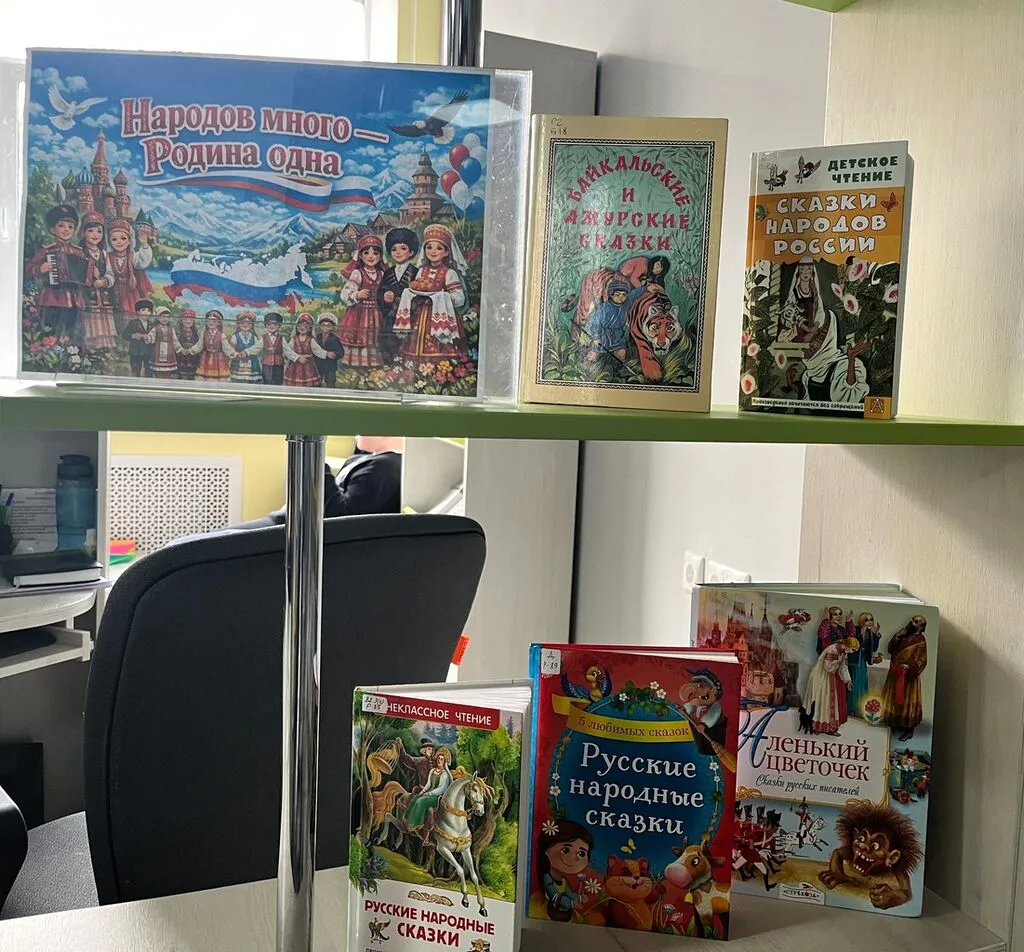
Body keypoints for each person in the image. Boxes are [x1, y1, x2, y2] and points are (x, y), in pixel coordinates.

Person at [227, 435, 403, 530]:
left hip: (295, 529)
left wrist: (315, 463)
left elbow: (339, 517)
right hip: (289, 521)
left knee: (216, 544)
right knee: (218, 538)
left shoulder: (384, 468)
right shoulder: (369, 460)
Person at [392, 223, 468, 361]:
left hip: (440, 315)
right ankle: (414, 365)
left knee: (442, 345)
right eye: (429, 247)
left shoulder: (449, 273)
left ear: (446, 252)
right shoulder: (422, 270)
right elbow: (417, 288)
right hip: (420, 313)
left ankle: (442, 367)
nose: (433, 251)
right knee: (414, 342)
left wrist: (443, 296)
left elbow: (459, 299)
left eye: (439, 248)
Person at [25, 203, 87, 341]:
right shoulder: (46, 250)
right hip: (52, 297)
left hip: (74, 298)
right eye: (61, 226)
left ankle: (70, 351)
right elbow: (28, 269)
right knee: (50, 329)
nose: (66, 230)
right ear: (53, 229)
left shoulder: (78, 252)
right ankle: (49, 349)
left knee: (71, 330)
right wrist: (41, 268)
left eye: (70, 227)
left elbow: (85, 274)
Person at [339, 235, 386, 367]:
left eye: (375, 253)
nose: (371, 256)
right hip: (359, 312)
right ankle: (356, 364)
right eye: (366, 253)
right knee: (360, 336)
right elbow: (344, 293)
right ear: (360, 255)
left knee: (375, 337)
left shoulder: (381, 274)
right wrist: (357, 294)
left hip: (377, 312)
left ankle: (373, 363)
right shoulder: (357, 273)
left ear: (380, 256)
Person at [882, 615, 928, 741]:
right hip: (895, 673)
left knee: (908, 702)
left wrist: (909, 666)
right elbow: (890, 649)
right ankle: (893, 724)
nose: (912, 622)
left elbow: (922, 660)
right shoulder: (903, 634)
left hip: (908, 677)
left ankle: (908, 730)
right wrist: (897, 636)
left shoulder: (920, 640)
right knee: (892, 699)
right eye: (912, 620)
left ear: (921, 627)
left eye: (916, 622)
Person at [378, 227, 420, 363]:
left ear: (411, 251)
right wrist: (384, 297)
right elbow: (380, 292)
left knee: (407, 345)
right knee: (387, 344)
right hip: (389, 318)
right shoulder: (388, 273)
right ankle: (388, 365)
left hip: (409, 318)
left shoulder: (416, 273)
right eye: (394, 249)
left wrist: (397, 298)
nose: (398, 252)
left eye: (403, 248)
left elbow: (419, 295)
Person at [78, 211, 118, 350]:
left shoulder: (104, 254)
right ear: (83, 232)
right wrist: (88, 276)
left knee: (104, 324)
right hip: (87, 297)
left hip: (103, 298)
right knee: (90, 325)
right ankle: (90, 349)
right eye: (91, 231)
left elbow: (111, 274)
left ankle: (104, 349)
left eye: (99, 231)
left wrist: (104, 281)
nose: (95, 235)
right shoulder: (79, 252)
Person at [106, 219, 153, 333]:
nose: (119, 242)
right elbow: (108, 272)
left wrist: (144, 244)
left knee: (130, 315)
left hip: (130, 292)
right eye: (114, 239)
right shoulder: (108, 256)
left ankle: (129, 336)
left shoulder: (133, 256)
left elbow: (143, 262)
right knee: (114, 316)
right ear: (110, 242)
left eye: (123, 238)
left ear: (129, 241)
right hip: (113, 291)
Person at [803, 638, 854, 735]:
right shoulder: (832, 650)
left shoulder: (843, 652)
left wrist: (848, 680)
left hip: (830, 677)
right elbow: (828, 667)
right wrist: (838, 662)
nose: (852, 652)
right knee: (821, 700)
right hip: (821, 677)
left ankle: (830, 728)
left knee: (830, 703)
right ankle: (816, 727)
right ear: (848, 645)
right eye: (853, 649)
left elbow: (843, 667)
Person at [405, 747, 454, 843]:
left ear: (444, 762)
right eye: (438, 758)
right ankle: (407, 819)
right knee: (416, 797)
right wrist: (422, 792)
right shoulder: (433, 771)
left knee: (421, 801)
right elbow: (428, 784)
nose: (439, 761)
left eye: (441, 759)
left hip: (437, 797)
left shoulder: (444, 774)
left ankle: (417, 824)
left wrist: (429, 793)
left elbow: (441, 789)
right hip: (429, 794)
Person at [283, 313, 324, 388]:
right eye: (299, 326)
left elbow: (318, 350)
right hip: (295, 365)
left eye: (305, 326)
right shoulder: (294, 339)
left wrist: (326, 354)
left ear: (310, 328)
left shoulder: (311, 340)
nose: (302, 328)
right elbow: (288, 350)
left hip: (308, 365)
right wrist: (297, 357)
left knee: (309, 385)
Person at [226, 310, 263, 384]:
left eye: (248, 323)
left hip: (252, 364)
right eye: (242, 323)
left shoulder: (254, 337)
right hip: (238, 363)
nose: (245, 325)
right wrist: (236, 354)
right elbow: (231, 349)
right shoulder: (235, 337)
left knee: (251, 382)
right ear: (238, 324)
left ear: (252, 325)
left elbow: (257, 350)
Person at [121, 299, 154, 378]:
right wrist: (133, 336)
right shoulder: (133, 323)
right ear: (138, 311)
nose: (146, 312)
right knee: (136, 368)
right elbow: (124, 335)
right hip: (136, 350)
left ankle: (148, 382)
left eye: (148, 310)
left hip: (148, 350)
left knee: (148, 369)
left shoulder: (151, 324)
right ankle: (135, 381)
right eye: (143, 310)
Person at [195, 309, 230, 382]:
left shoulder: (221, 335)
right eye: (209, 321)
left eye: (214, 321)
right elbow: (199, 345)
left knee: (219, 379)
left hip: (218, 359)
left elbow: (226, 347)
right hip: (205, 358)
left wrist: (233, 353)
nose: (211, 323)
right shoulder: (203, 333)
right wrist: (190, 350)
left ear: (219, 323)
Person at [314, 313, 345, 387]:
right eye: (323, 325)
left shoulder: (335, 339)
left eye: (328, 325)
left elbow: (341, 352)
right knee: (317, 383)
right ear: (320, 326)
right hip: (318, 365)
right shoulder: (316, 337)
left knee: (330, 382)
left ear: (331, 327)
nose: (325, 327)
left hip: (330, 366)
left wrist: (335, 354)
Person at [148, 306, 178, 379]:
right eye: (163, 317)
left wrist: (180, 349)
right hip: (158, 352)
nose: (165, 319)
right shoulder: (155, 328)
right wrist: (147, 337)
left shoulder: (171, 329)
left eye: (167, 317)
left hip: (169, 353)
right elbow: (151, 338)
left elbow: (175, 341)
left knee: (168, 371)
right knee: (157, 371)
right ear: (158, 318)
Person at [175, 308, 201, 380]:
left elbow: (198, 343)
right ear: (181, 320)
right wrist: (181, 350)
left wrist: (192, 350)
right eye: (185, 319)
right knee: (181, 374)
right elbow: (175, 342)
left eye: (190, 320)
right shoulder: (178, 331)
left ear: (193, 321)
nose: (188, 321)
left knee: (191, 374)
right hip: (180, 356)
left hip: (192, 356)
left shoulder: (196, 332)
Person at [260, 312, 285, 385]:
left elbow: (288, 351)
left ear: (279, 326)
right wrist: (246, 352)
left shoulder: (281, 338)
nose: (272, 326)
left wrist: (296, 357)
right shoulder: (263, 338)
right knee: (267, 380)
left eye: (275, 324)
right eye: (269, 324)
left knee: (278, 380)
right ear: (265, 325)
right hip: (266, 363)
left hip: (279, 363)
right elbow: (255, 348)